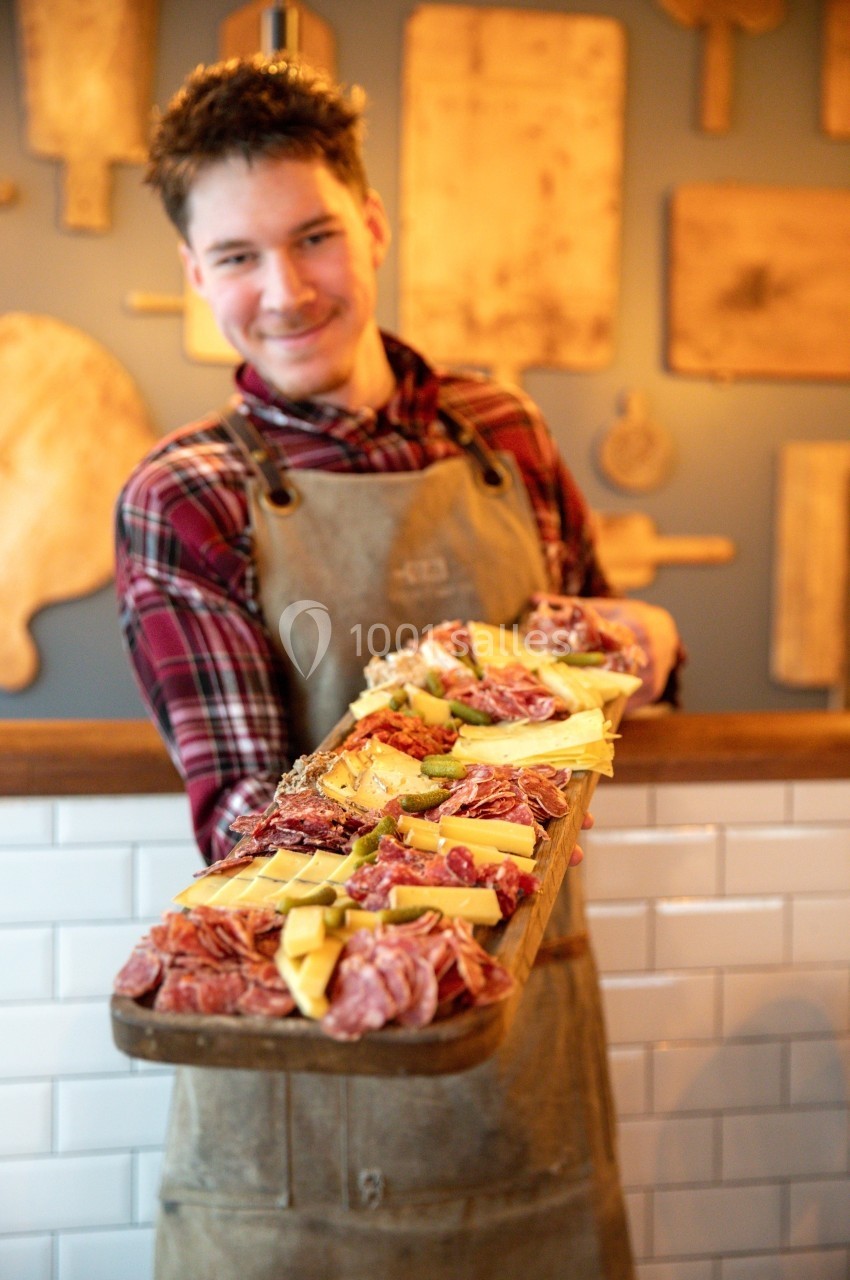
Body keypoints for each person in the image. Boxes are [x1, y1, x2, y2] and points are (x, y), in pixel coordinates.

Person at [115, 55, 681, 1280]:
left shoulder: (509, 435)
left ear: (371, 223)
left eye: (314, 235)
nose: (283, 288)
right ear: (192, 274)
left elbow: (592, 695)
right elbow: (251, 827)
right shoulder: (184, 496)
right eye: (236, 255)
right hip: (302, 1085)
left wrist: (649, 635)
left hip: (517, 1067)